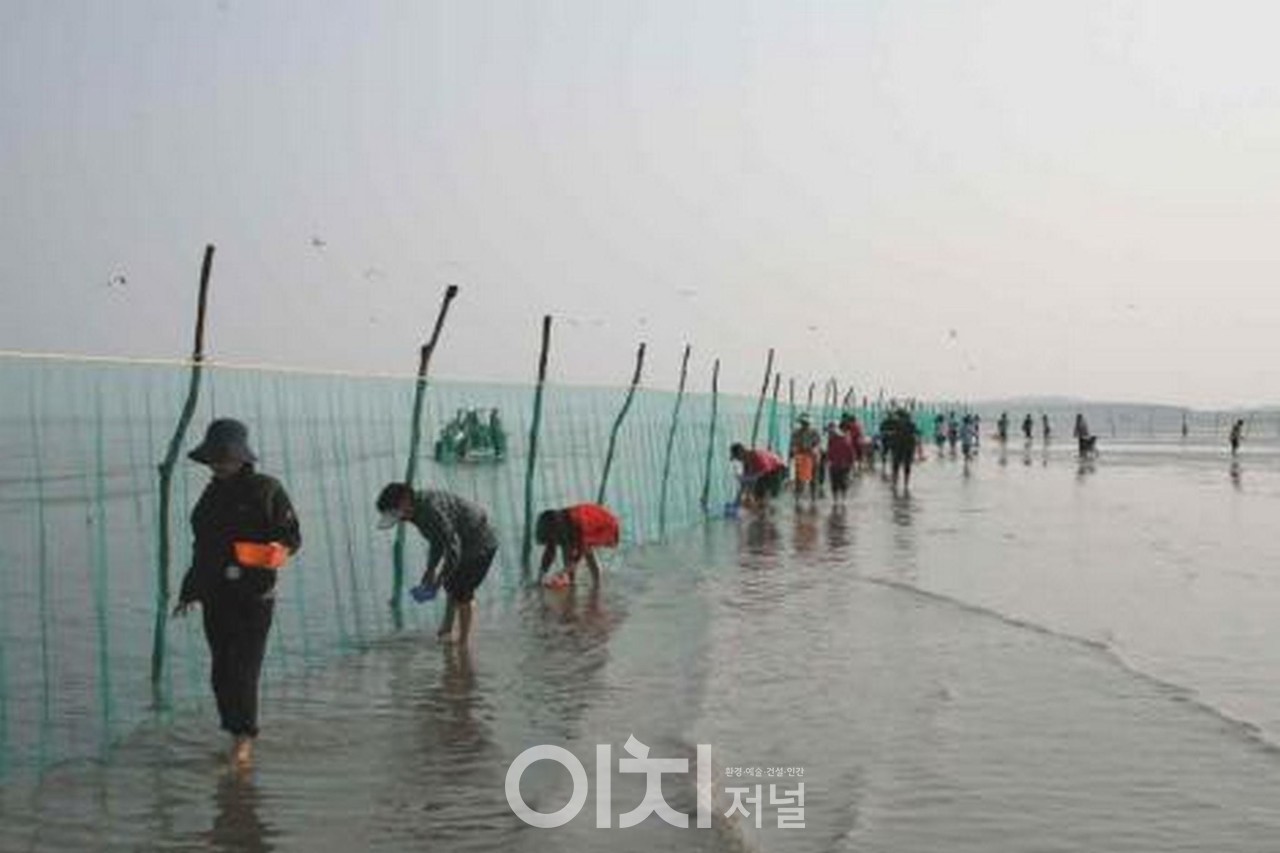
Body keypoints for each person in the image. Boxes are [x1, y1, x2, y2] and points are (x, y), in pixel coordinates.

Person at [174, 418, 301, 768]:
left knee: (243, 669)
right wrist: (189, 591)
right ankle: (234, 733)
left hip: (254, 596)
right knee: (221, 672)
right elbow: (203, 550)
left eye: (224, 458)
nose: (218, 464)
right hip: (216, 595)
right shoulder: (210, 497)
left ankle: (244, 741)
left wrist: (277, 550)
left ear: (241, 457)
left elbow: (291, 536)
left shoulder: (267, 489)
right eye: (214, 458)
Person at [377, 483, 498, 644]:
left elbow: (453, 547)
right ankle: (446, 629)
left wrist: (438, 581)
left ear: (404, 501)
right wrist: (431, 569)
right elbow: (437, 541)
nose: (401, 520)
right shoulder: (413, 512)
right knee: (451, 583)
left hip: (480, 541)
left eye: (396, 513)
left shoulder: (431, 510)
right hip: (462, 540)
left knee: (463, 591)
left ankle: (463, 643)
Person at [536, 503, 620, 588]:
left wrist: (563, 572)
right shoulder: (557, 524)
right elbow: (550, 551)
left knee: (585, 551)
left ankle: (594, 583)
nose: (553, 538)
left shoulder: (579, 524)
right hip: (574, 522)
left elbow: (579, 554)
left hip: (602, 523)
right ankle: (573, 582)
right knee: (569, 549)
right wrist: (541, 576)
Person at [883, 406, 920, 490]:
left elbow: (889, 433)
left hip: (898, 448)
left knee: (896, 466)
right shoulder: (911, 424)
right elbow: (916, 434)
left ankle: (894, 483)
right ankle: (906, 484)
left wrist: (890, 436)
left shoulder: (895, 423)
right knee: (907, 467)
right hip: (908, 448)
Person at [789, 415, 821, 503]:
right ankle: (798, 497)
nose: (804, 425)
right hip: (801, 457)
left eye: (806, 423)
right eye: (803, 423)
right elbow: (793, 445)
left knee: (814, 478)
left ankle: (813, 497)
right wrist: (794, 451)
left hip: (812, 457)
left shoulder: (814, 432)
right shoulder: (796, 433)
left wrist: (813, 450)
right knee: (799, 478)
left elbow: (817, 444)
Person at [825, 423, 855, 501]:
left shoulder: (834, 442)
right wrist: (851, 464)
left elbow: (829, 454)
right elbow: (851, 455)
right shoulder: (845, 442)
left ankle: (837, 500)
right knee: (842, 483)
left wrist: (829, 461)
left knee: (836, 483)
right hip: (841, 465)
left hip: (837, 466)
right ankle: (841, 499)